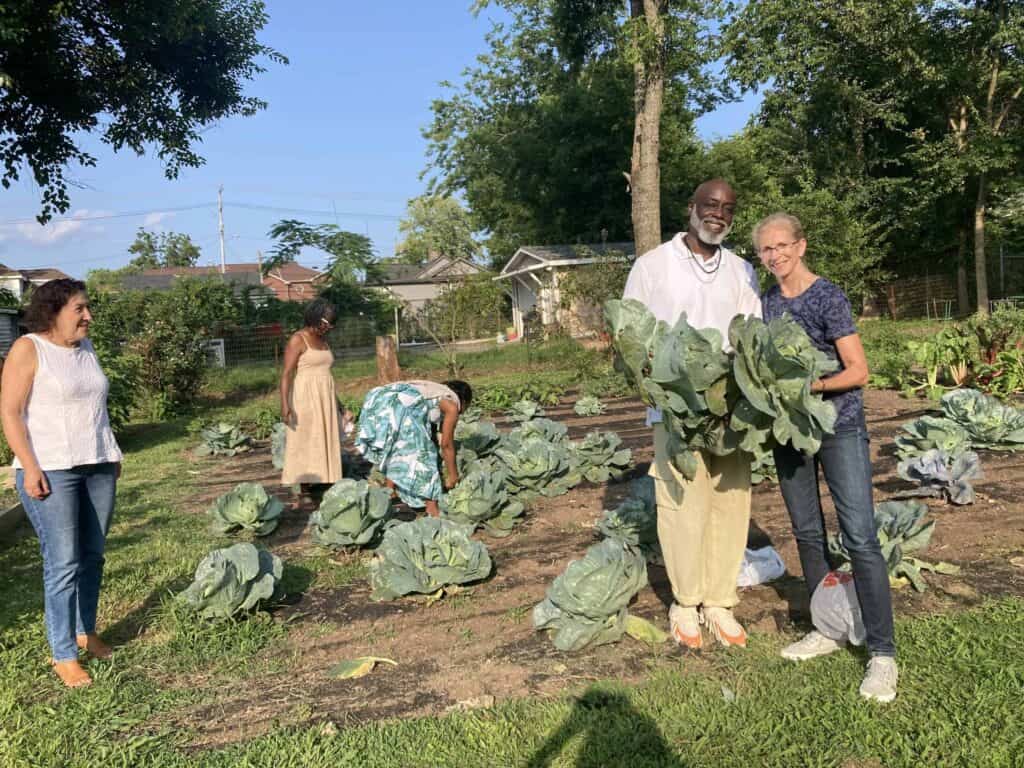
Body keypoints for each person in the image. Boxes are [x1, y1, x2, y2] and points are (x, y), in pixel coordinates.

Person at [755, 212, 898, 703]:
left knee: (859, 536)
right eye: (765, 250)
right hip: (791, 431)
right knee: (808, 532)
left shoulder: (827, 296)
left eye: (781, 246)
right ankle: (827, 627)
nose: (774, 256)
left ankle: (883, 654)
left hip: (838, 427)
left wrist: (807, 385)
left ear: (801, 245)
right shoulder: (768, 301)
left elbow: (858, 370)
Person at [623, 179, 762, 650]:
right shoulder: (652, 265)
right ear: (691, 208)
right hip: (675, 409)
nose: (717, 214)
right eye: (710, 205)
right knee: (681, 503)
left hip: (730, 408)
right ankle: (685, 603)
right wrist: (655, 385)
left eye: (727, 208)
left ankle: (720, 602)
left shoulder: (743, 271)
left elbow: (752, 336)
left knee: (731, 499)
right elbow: (630, 334)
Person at [0, 279, 123, 688]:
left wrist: (111, 454)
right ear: (53, 311)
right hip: (52, 470)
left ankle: (86, 631)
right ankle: (62, 652)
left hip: (98, 466)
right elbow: (11, 414)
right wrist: (31, 467)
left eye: (87, 308)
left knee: (93, 555)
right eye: (80, 309)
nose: (88, 316)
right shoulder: (28, 349)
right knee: (63, 562)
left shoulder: (85, 349)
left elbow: (95, 409)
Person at [355, 379, 473, 517]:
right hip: (397, 405)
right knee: (425, 455)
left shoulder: (431, 391)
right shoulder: (452, 405)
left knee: (397, 449)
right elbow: (446, 444)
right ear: (464, 401)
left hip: (377, 401)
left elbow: (435, 436)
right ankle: (432, 509)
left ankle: (390, 493)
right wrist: (453, 475)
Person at [280, 299, 343, 504]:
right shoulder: (298, 339)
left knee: (324, 437)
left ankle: (325, 480)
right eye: (327, 323)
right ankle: (303, 487)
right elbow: (287, 374)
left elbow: (326, 376)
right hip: (305, 397)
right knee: (305, 439)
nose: (329, 328)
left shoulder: (323, 341)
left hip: (325, 396)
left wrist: (341, 406)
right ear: (316, 317)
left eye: (332, 325)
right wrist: (285, 404)